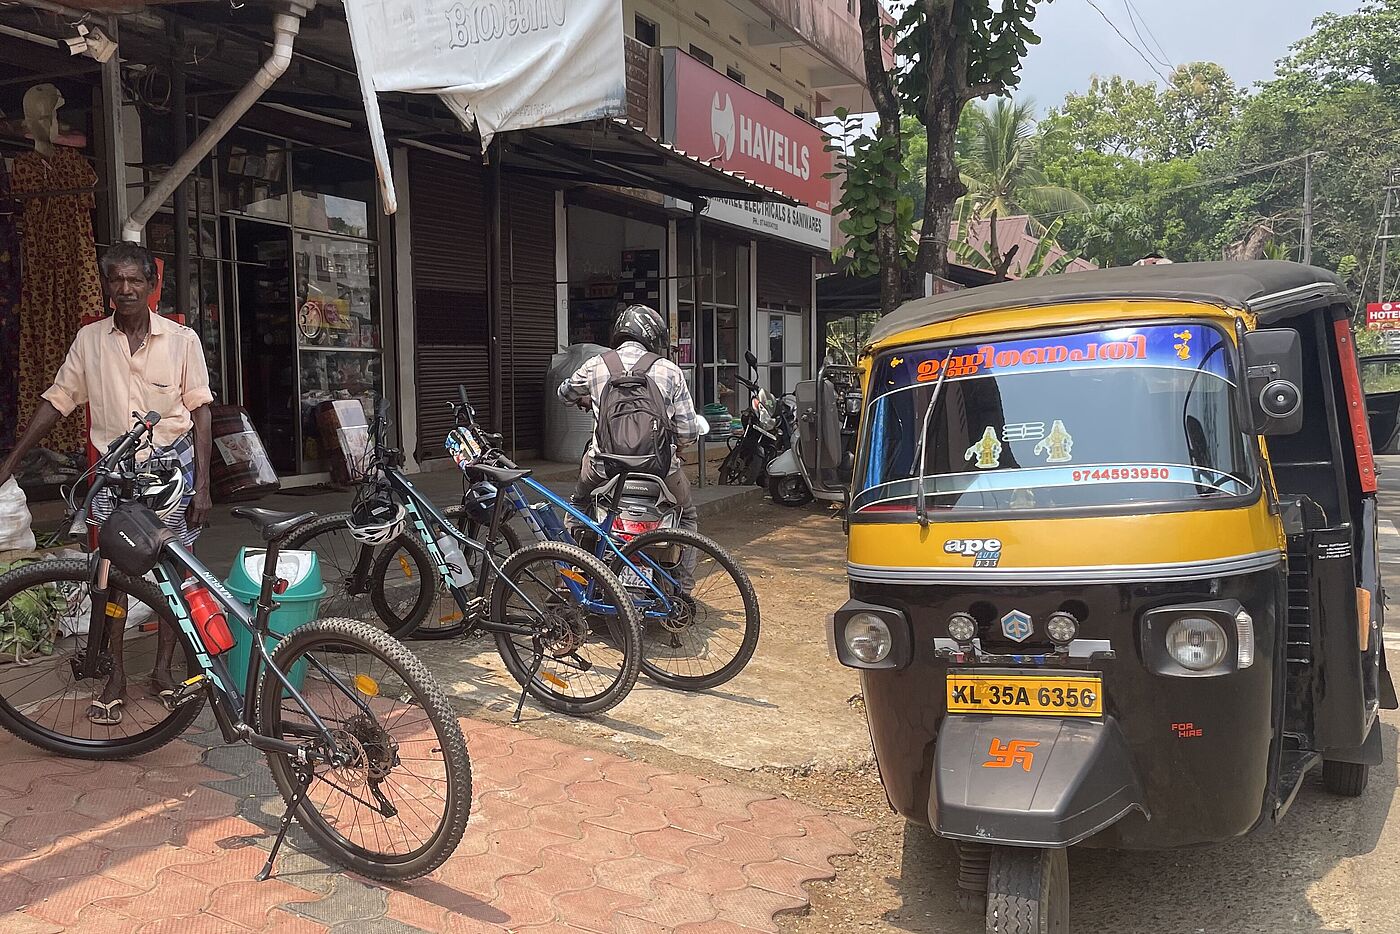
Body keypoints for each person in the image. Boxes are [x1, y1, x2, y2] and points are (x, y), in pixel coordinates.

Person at [0, 242, 214, 725]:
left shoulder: (183, 341)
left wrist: (203, 484)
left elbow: (201, 412)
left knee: (174, 576)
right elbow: (58, 400)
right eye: (116, 280)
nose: (126, 288)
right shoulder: (90, 340)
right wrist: (11, 462)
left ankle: (162, 669)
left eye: (135, 280)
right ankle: (116, 675)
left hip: (172, 474)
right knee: (114, 578)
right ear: (107, 287)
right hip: (116, 478)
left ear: (152, 286)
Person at [558, 304, 700, 584]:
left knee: (578, 508)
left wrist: (585, 398)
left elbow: (564, 393)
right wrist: (677, 446)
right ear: (653, 337)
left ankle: (569, 582)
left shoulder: (597, 364)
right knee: (687, 517)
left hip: (604, 468)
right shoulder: (670, 371)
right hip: (659, 469)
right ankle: (683, 590)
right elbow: (688, 431)